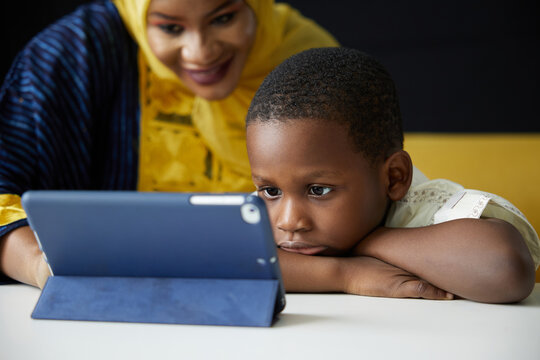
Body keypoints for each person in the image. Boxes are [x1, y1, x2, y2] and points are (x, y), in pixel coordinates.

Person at [0, 0, 338, 288]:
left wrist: (343, 273)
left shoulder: (310, 62)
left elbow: (369, 189)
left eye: (223, 18)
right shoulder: (77, 54)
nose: (201, 53)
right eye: (171, 28)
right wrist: (45, 268)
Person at [245, 47, 540, 303]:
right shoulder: (273, 218)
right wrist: (347, 274)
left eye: (318, 190)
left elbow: (504, 269)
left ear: (394, 178)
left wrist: (369, 241)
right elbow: (214, 260)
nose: (288, 221)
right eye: (271, 191)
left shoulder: (434, 210)